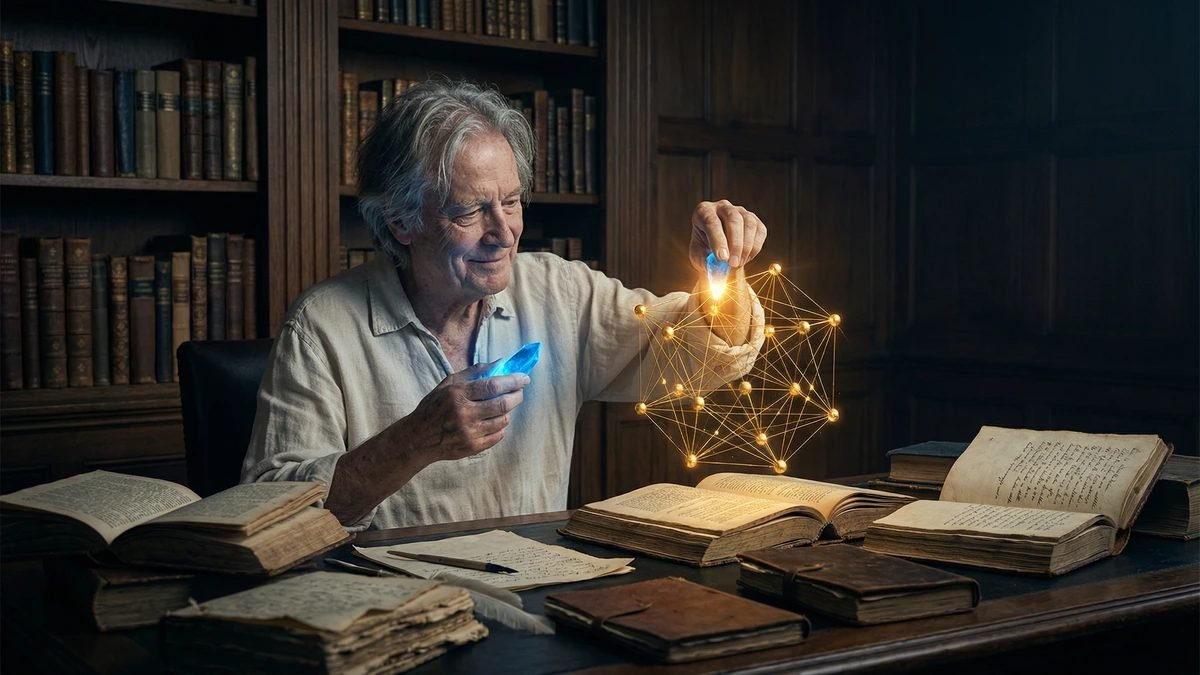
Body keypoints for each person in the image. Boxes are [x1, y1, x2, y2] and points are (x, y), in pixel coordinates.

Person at [242, 79, 768, 530]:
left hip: (537, 589)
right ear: (401, 222)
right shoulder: (322, 324)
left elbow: (702, 355)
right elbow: (273, 509)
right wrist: (413, 442)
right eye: (470, 210)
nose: (504, 233)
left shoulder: (558, 290)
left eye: (511, 202)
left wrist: (723, 269)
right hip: (391, 610)